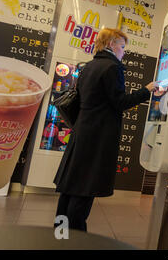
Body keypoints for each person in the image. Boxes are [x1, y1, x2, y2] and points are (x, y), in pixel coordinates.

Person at [53, 28, 157, 232]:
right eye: (122, 46)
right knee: (85, 189)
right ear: (111, 44)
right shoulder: (112, 68)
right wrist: (147, 90)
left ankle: (61, 235)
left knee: (70, 188)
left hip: (81, 132)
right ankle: (76, 239)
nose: (124, 52)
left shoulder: (89, 66)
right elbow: (120, 102)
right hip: (98, 137)